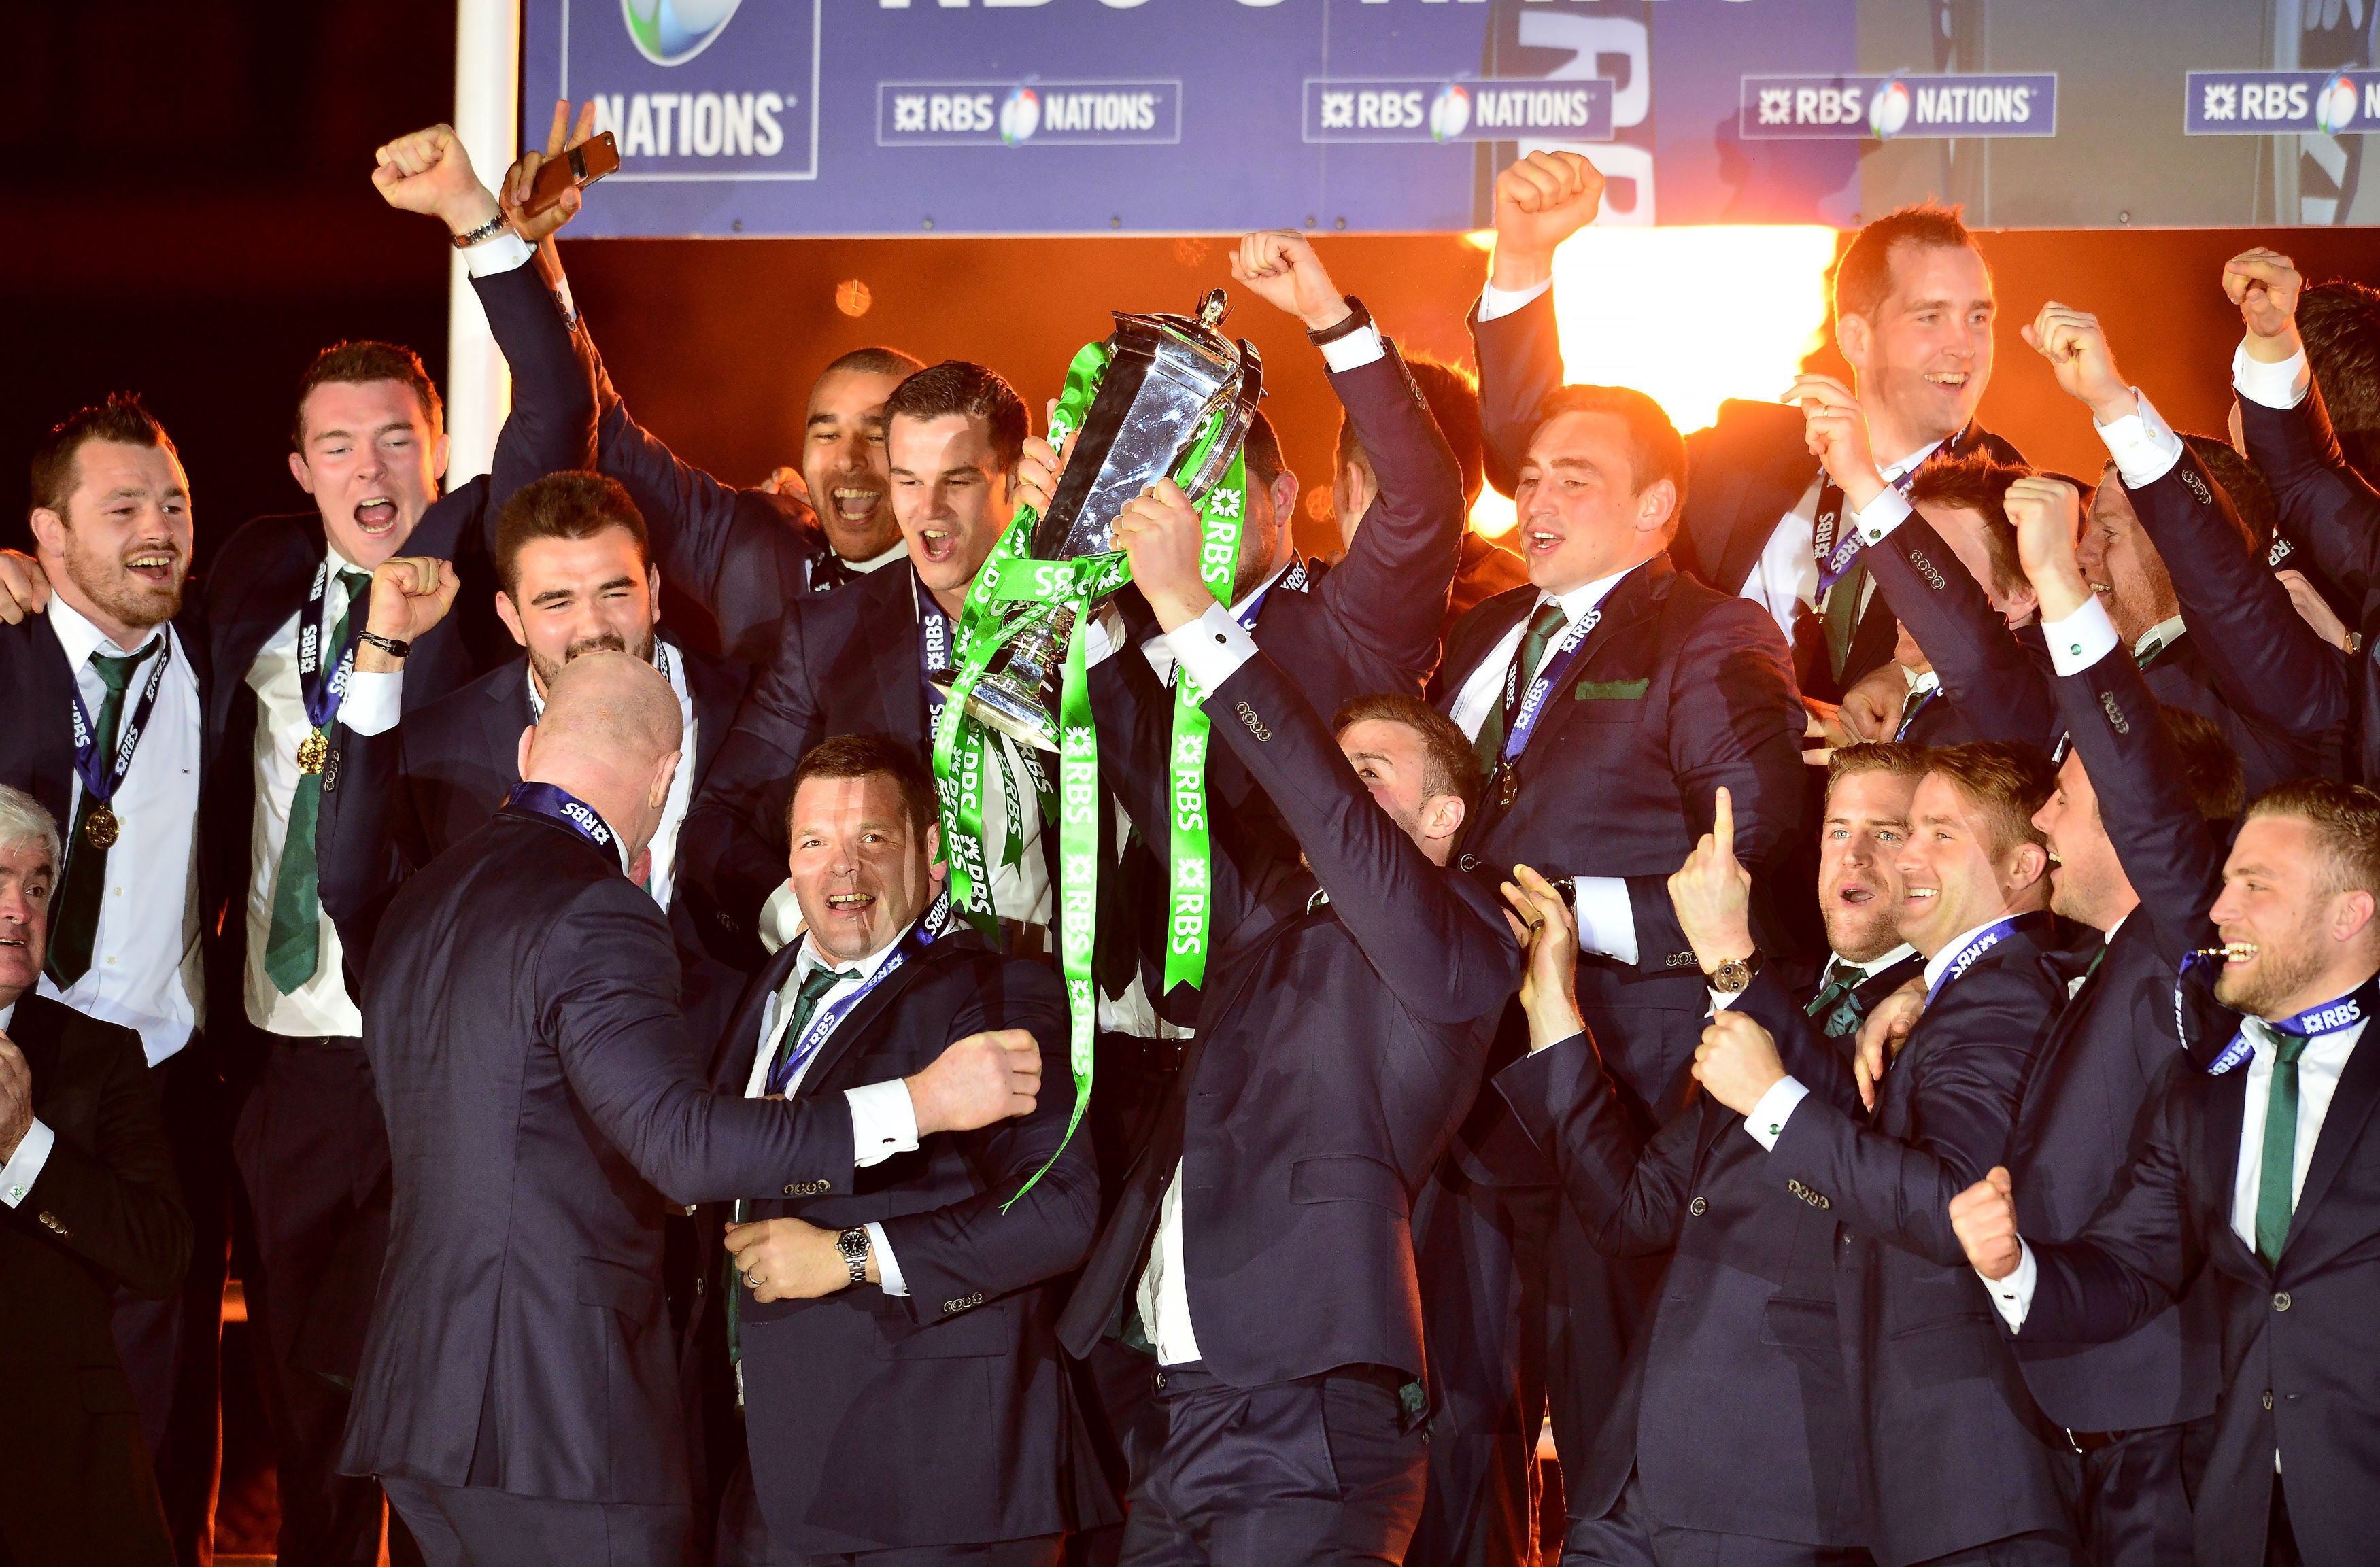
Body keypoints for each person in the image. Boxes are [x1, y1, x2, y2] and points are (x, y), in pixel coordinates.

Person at [340, 651, 1044, 1566]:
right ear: (668, 777)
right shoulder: (598, 911)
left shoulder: (422, 899)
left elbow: (517, 1123)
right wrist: (919, 1103)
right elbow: (680, 1146)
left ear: (527, 747)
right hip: (552, 1420)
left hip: (415, 1401)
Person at [1053, 475, 1520, 1563]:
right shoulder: (1266, 911)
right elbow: (1130, 749)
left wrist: (1193, 611)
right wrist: (1081, 571)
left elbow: (1321, 806)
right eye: (1341, 774)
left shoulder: (1462, 938)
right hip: (1178, 1400)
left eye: (1372, 778)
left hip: (1308, 1406)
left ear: (1442, 817)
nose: (1340, 798)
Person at [1412, 375, 1807, 1562]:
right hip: (1455, 1105)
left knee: (1606, 1448)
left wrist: (1572, 918)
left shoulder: (1711, 631)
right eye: (1527, 478)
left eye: (1572, 480)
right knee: (1451, 1436)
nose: (1533, 499)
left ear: (1655, 508)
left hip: (1618, 1105)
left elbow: (1765, 856)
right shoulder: (1480, 631)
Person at [1483, 746, 1927, 1566]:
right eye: (1836, 829)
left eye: (1887, 832)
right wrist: (1552, 1002)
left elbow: (1855, 1158)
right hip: (1630, 1482)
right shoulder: (1775, 992)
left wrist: (1728, 951)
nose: (1853, 856)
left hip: (1775, 1489)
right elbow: (1629, 1210)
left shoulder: (1938, 1011)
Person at [1949, 776, 2380, 1567]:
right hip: (2246, 1517)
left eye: (2255, 885)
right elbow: (2129, 1266)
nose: (2219, 910)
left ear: (2348, 912)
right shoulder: (2201, 1097)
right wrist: (2014, 1267)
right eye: (2224, 884)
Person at [709, 734, 1102, 1565]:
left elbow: (1059, 1211)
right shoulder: (767, 988)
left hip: (942, 1477)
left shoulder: (994, 988)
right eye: (815, 843)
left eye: (872, 840)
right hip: (780, 1475)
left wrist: (851, 1256)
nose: (842, 872)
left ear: (929, 852)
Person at [1690, 742, 2079, 1566]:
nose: (1903, 857)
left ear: (2020, 867)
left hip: (1976, 1475)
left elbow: (1951, 1206)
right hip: (1938, 1479)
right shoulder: (1962, 991)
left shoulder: (2002, 992)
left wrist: (1772, 1101)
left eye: (1937, 834)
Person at [1472, 152, 2021, 709]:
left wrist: (1908, 678)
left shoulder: (2013, 502)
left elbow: (2026, 680)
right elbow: (1535, 452)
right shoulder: (1746, 445)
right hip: (1687, 775)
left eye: (1979, 317)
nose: (1964, 346)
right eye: (1930, 316)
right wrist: (1523, 259)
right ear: (1857, 338)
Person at [1982, 474, 2248, 1564]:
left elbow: (2142, 786)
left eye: (2068, 797)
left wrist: (2057, 585)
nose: (2041, 814)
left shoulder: (2187, 942)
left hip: (2156, 1432)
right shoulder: (2088, 963)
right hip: (2080, 1421)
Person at [0, 394, 216, 1553]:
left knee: (162, 1414)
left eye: (173, 504)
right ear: (46, 536)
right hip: (14, 1061)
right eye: (122, 505)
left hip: (165, 1083)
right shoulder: (1, 647)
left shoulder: (223, 647)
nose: (157, 529)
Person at [316, 472, 748, 1041]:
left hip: (728, 1090)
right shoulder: (437, 749)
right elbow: (369, 927)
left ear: (656, 591)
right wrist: (384, 647)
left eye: (616, 591)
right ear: (511, 616)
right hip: (540, 1110)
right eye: (556, 602)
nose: (592, 627)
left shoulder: (752, 707)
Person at [680, 359, 1056, 967]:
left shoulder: (1091, 617)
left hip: (1065, 1008)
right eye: (907, 481)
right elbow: (716, 823)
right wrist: (811, 921)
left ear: (1017, 480)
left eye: (956, 481)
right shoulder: (827, 633)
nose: (928, 512)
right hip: (890, 999)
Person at [0, 786, 192, 1567]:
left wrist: (24, 1146)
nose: (19, 910)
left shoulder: (99, 1056)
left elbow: (162, 1253)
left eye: (37, 887)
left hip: (63, 1462)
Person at [1329, 354, 1529, 636]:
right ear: (1476, 485)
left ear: (1353, 486)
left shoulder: (1338, 625)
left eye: (1335, 476)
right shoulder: (1538, 595)